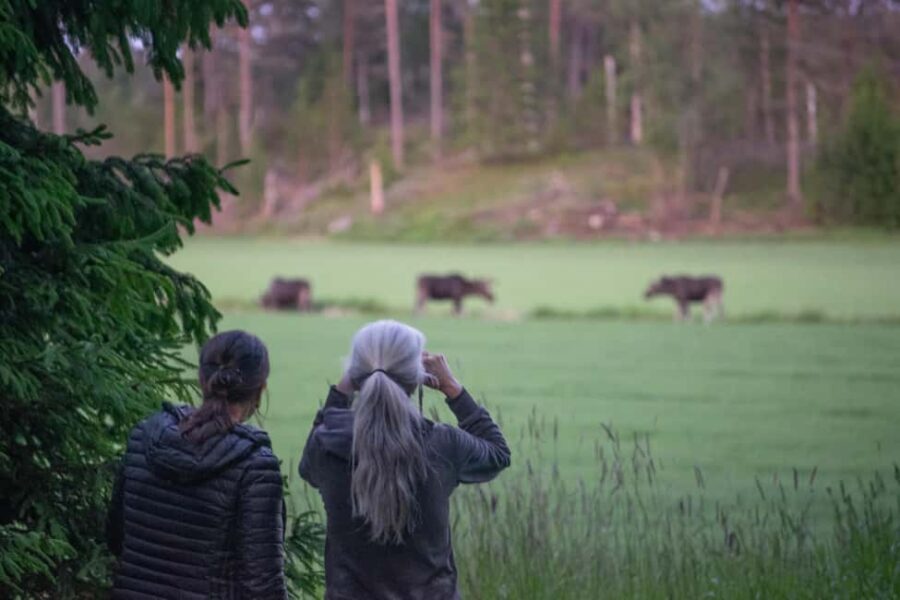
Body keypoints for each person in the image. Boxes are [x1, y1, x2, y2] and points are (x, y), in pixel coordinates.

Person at [299, 320, 511, 600]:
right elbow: (498, 453)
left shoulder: (326, 444)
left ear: (356, 373)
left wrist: (341, 391)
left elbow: (308, 467)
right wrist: (451, 387)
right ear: (417, 377)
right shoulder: (442, 443)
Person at [107, 330, 287, 599]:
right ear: (260, 389)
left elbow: (116, 537)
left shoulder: (143, 436)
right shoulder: (255, 466)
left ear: (202, 379)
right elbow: (263, 585)